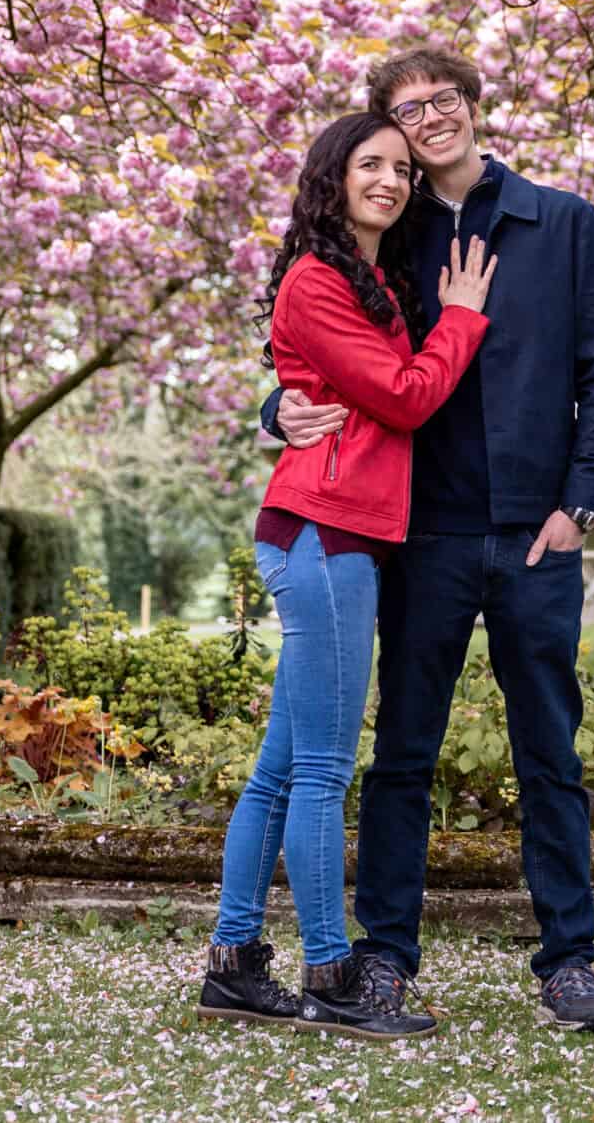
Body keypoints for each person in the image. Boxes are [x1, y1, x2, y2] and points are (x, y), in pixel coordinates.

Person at [267, 47, 594, 1033]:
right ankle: (385, 957)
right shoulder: (390, 231)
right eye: (403, 111)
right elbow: (315, 342)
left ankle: (568, 958)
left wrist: (580, 503)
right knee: (402, 755)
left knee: (548, 750)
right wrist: (275, 407)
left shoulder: (560, 224)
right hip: (418, 535)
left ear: (474, 106)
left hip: (533, 539)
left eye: (443, 101)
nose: (426, 122)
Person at [197, 110, 498, 1042]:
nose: (392, 179)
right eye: (370, 163)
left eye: (403, 168)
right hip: (324, 535)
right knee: (325, 770)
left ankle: (236, 964)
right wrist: (464, 319)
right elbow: (405, 395)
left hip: (333, 533)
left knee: (281, 771)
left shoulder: (368, 278)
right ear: (332, 178)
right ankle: (332, 973)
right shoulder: (321, 280)